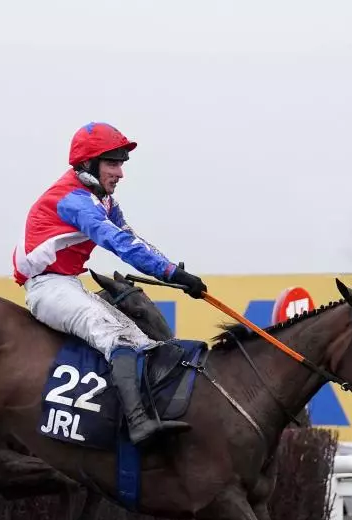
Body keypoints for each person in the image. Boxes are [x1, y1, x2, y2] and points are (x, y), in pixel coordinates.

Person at [12, 122, 207, 446]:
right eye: (112, 163)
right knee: (118, 337)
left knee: (142, 340)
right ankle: (137, 426)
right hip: (47, 288)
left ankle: (148, 413)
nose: (120, 173)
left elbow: (132, 238)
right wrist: (171, 274)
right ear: (88, 164)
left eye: (121, 164)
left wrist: (174, 270)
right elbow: (119, 244)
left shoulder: (102, 200)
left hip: (67, 284)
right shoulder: (75, 201)